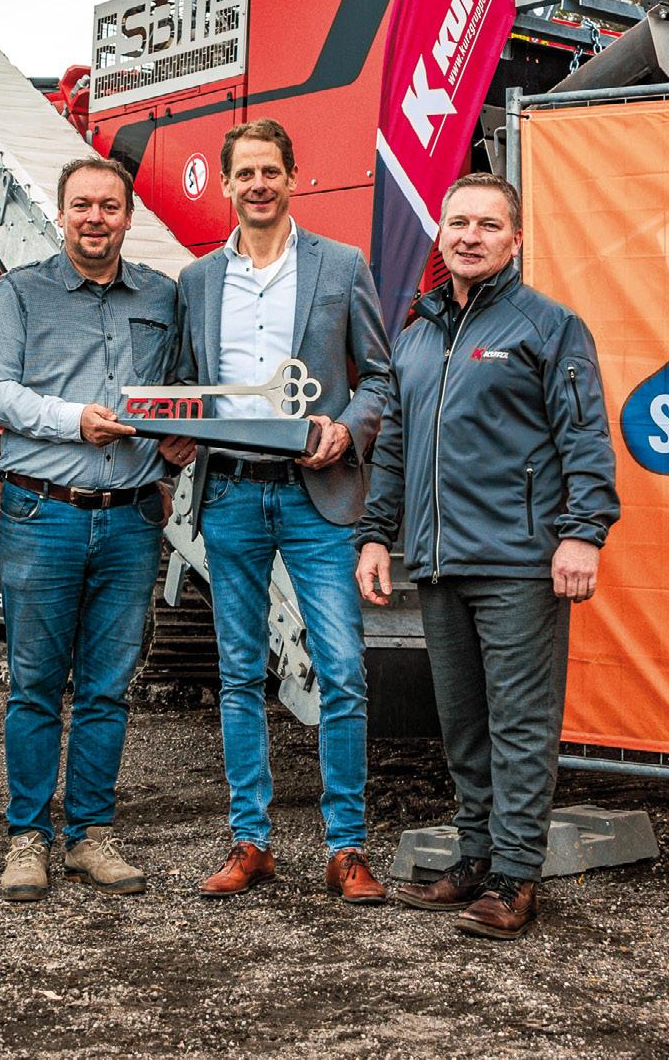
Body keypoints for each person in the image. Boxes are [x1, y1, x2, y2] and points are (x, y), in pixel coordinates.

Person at [356, 173, 619, 940]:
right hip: (439, 562)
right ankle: (473, 858)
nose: (469, 236)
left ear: (515, 239)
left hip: (517, 562)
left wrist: (582, 531)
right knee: (463, 723)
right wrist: (374, 534)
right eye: (458, 222)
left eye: (487, 224)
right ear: (440, 234)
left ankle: (514, 879)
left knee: (519, 724)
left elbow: (583, 435)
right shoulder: (417, 335)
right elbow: (394, 448)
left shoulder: (547, 326)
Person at [167, 117, 391, 903]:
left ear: (293, 178)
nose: (258, 185)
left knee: (342, 671)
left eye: (271, 171)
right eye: (244, 173)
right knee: (237, 673)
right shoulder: (197, 282)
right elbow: (185, 385)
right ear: (226, 185)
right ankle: (250, 842)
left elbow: (379, 378)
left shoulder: (341, 265)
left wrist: (347, 428)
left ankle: (346, 848)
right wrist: (172, 429)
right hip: (229, 492)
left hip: (314, 495)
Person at [0, 156, 177, 901]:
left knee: (106, 688)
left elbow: (180, 392)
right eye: (82, 205)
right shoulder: (21, 293)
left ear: (128, 217)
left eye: (109, 206)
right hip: (42, 513)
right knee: (35, 685)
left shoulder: (161, 296)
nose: (95, 218)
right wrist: (70, 420)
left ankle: (91, 835)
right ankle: (26, 838)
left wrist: (177, 447)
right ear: (61, 215)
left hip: (131, 519)